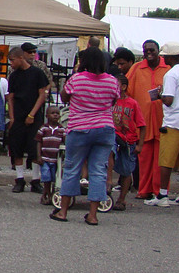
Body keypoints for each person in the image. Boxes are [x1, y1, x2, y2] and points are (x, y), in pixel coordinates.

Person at [50, 47, 119, 225]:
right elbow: (113, 101)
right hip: (104, 129)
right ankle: (93, 215)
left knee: (72, 168)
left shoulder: (77, 79)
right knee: (98, 171)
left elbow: (64, 97)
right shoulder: (112, 81)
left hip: (79, 128)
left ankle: (63, 211)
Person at [147, 42, 179, 208]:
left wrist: (160, 94)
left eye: (164, 55)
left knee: (166, 158)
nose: (162, 57)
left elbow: (169, 100)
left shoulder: (171, 74)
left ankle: (162, 195)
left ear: (170, 57)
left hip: (174, 120)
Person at [125, 40, 169, 199]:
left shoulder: (167, 68)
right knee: (143, 158)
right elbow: (127, 90)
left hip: (162, 120)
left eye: (152, 49)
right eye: (145, 50)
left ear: (158, 50)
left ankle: (159, 190)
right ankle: (143, 190)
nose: (149, 52)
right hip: (142, 121)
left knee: (161, 158)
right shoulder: (137, 68)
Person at [6, 46, 49, 193]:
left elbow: (42, 95)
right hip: (18, 116)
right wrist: (11, 117)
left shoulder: (37, 73)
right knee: (17, 148)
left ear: (20, 58)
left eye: (12, 60)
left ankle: (36, 180)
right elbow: (10, 97)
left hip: (33, 116)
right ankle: (19, 179)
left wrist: (32, 114)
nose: (11, 64)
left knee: (34, 149)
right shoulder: (13, 76)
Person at [111, 74, 144, 210]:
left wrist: (140, 144)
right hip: (113, 136)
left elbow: (142, 124)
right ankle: (107, 185)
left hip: (129, 140)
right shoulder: (110, 102)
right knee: (109, 153)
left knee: (126, 170)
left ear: (123, 87)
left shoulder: (132, 103)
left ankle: (122, 199)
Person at [35, 105, 66, 205]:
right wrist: (39, 156)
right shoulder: (43, 129)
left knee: (53, 178)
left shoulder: (62, 129)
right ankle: (46, 193)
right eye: (53, 113)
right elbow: (39, 142)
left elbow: (65, 142)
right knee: (46, 177)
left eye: (57, 113)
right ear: (47, 115)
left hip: (56, 159)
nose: (55, 115)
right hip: (45, 158)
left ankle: (51, 194)